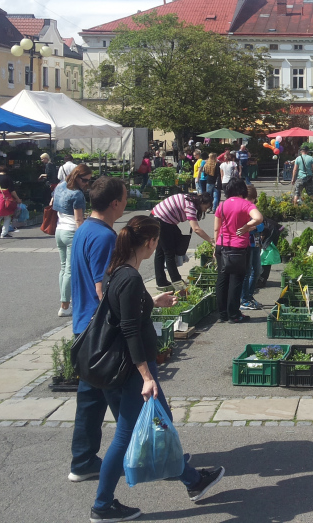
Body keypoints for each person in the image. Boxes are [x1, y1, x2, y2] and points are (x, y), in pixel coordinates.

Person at [90, 216, 224, 521]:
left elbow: (124, 309)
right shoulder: (130, 277)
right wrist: (147, 376)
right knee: (126, 435)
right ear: (150, 243)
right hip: (132, 370)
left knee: (162, 422)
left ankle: (191, 479)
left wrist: (152, 301)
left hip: (121, 366)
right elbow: (129, 329)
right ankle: (102, 505)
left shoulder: (117, 271)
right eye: (156, 242)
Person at [68, 176, 126, 486]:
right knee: (129, 402)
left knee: (90, 403)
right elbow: (105, 289)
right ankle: (156, 456)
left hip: (84, 328)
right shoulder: (104, 237)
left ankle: (83, 461)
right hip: (101, 332)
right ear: (115, 203)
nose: (127, 201)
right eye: (125, 197)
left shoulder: (85, 230)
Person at [214, 177, 262, 323]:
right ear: (242, 189)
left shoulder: (221, 205)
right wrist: (248, 226)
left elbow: (217, 228)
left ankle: (222, 314)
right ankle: (234, 314)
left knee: (222, 279)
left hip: (221, 245)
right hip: (239, 247)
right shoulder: (246, 204)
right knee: (236, 280)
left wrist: (215, 246)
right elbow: (258, 218)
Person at [150, 192, 214, 290]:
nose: (206, 210)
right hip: (161, 220)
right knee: (169, 253)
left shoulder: (190, 198)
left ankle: (161, 281)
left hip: (159, 218)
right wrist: (211, 241)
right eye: (206, 207)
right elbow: (196, 229)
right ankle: (178, 284)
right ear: (201, 202)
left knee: (161, 251)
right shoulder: (191, 206)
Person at [52, 164, 92, 317]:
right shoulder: (77, 194)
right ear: (76, 176)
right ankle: (64, 305)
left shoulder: (60, 186)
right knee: (69, 269)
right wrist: (84, 237)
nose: (86, 183)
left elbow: (53, 205)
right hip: (71, 232)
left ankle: (64, 302)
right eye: (84, 180)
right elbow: (78, 220)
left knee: (63, 268)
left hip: (59, 229)